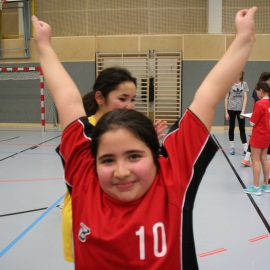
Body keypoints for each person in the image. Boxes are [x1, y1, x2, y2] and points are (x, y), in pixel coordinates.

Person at [32, 6, 257, 270]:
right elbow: (67, 100)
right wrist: (44, 46)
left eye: (134, 155)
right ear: (91, 161)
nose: (121, 171)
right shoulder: (84, 177)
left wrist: (242, 40)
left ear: (156, 156)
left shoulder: (170, 180)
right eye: (106, 160)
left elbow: (207, 96)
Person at [61, 66, 168, 262]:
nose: (130, 105)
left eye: (133, 99)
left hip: (123, 220)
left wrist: (145, 141)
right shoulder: (85, 132)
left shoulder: (128, 128)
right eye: (123, 99)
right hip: (86, 217)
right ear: (100, 98)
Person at [243, 81, 270, 195]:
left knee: (255, 160)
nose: (257, 93)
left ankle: (256, 187)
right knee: (264, 158)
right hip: (268, 135)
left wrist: (251, 119)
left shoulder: (259, 104)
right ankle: (266, 185)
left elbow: (253, 122)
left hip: (259, 135)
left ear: (262, 91)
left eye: (257, 91)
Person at [241, 72, 270, 167]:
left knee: (254, 139)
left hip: (258, 118)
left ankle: (246, 158)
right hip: (263, 119)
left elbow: (255, 104)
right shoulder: (265, 91)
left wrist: (254, 115)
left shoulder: (257, 89)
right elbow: (257, 104)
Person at [225, 71, 249, 155]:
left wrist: (243, 110)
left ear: (242, 75)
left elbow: (245, 97)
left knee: (242, 129)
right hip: (231, 109)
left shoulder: (244, 84)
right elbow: (226, 98)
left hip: (240, 110)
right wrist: (226, 112)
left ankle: (245, 148)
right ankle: (232, 147)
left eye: (239, 73)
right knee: (231, 128)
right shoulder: (229, 84)